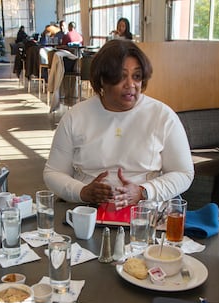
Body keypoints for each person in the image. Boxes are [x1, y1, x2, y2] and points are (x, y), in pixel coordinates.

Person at [43, 40, 194, 206]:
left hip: (145, 212)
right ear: (102, 80)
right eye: (121, 77)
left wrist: (143, 191)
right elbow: (53, 172)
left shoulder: (162, 116)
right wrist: (83, 191)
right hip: (88, 210)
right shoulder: (75, 117)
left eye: (136, 77)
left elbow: (183, 173)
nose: (130, 85)